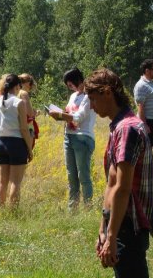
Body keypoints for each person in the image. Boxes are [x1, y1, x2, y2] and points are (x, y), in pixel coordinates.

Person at [85, 69, 153, 278]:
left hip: (128, 225)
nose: (90, 106)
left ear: (107, 92)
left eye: (93, 99)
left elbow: (123, 188)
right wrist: (103, 229)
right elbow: (112, 183)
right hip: (119, 223)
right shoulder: (118, 127)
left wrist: (111, 236)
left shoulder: (127, 129)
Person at [48, 68, 96, 210]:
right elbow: (69, 114)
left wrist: (61, 115)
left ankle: (88, 207)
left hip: (82, 138)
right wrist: (60, 114)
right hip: (68, 137)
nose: (70, 88)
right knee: (71, 176)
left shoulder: (88, 96)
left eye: (70, 85)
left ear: (77, 81)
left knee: (83, 175)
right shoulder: (74, 96)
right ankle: (72, 209)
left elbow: (78, 118)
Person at [0, 74, 33, 207]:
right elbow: (24, 128)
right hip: (16, 143)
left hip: (1, 143)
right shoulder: (18, 102)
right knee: (15, 181)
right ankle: (13, 212)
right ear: (17, 86)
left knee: (2, 181)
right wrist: (29, 148)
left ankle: (1, 209)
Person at [133, 59, 153, 155]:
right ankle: (145, 166)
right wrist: (144, 124)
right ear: (147, 71)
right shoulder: (141, 85)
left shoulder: (152, 83)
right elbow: (140, 106)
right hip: (149, 121)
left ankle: (149, 162)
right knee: (146, 149)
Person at [18, 73, 40, 148]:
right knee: (27, 150)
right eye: (30, 83)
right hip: (27, 127)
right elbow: (30, 114)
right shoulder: (24, 93)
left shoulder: (14, 92)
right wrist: (36, 112)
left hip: (17, 126)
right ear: (27, 83)